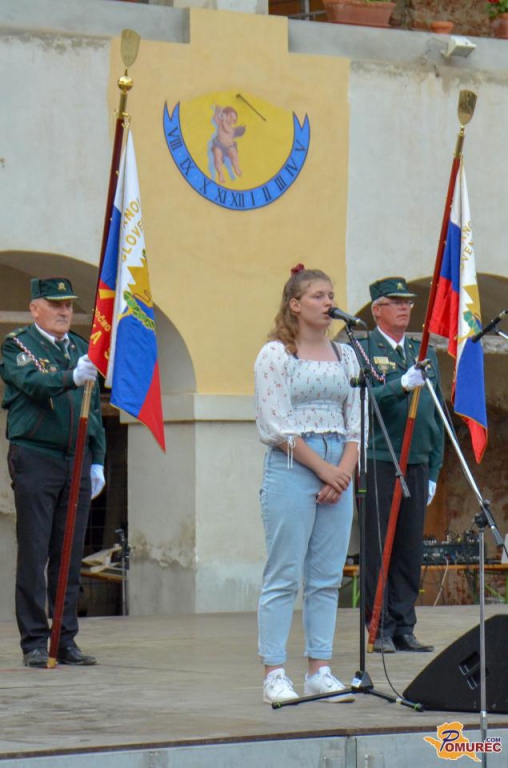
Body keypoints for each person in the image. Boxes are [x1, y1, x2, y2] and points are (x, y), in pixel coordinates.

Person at [254, 264, 362, 704]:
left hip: (339, 463)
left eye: (331, 295)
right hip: (294, 463)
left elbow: (356, 423)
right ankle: (274, 674)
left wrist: (343, 472)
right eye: (319, 296)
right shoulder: (276, 354)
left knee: (327, 577)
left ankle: (320, 669)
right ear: (295, 304)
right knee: (284, 573)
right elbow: (275, 425)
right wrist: (323, 470)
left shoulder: (347, 355)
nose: (328, 303)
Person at [0, 277, 106, 668]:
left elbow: (94, 409)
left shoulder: (79, 348)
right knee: (35, 550)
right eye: (56, 304)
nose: (64, 312)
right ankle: (34, 640)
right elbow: (31, 383)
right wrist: (69, 378)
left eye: (68, 305)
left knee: (69, 552)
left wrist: (98, 458)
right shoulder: (18, 345)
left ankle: (64, 639)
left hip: (75, 458)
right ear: (35, 308)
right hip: (36, 456)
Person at [357, 277, 444, 653]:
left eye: (407, 302)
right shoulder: (363, 350)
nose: (404, 308)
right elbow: (362, 401)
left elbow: (436, 414)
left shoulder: (421, 352)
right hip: (381, 458)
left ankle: (404, 625)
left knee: (409, 549)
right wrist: (400, 386)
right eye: (395, 302)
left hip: (417, 460)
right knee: (380, 547)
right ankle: (379, 625)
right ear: (377, 309)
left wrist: (435, 470)